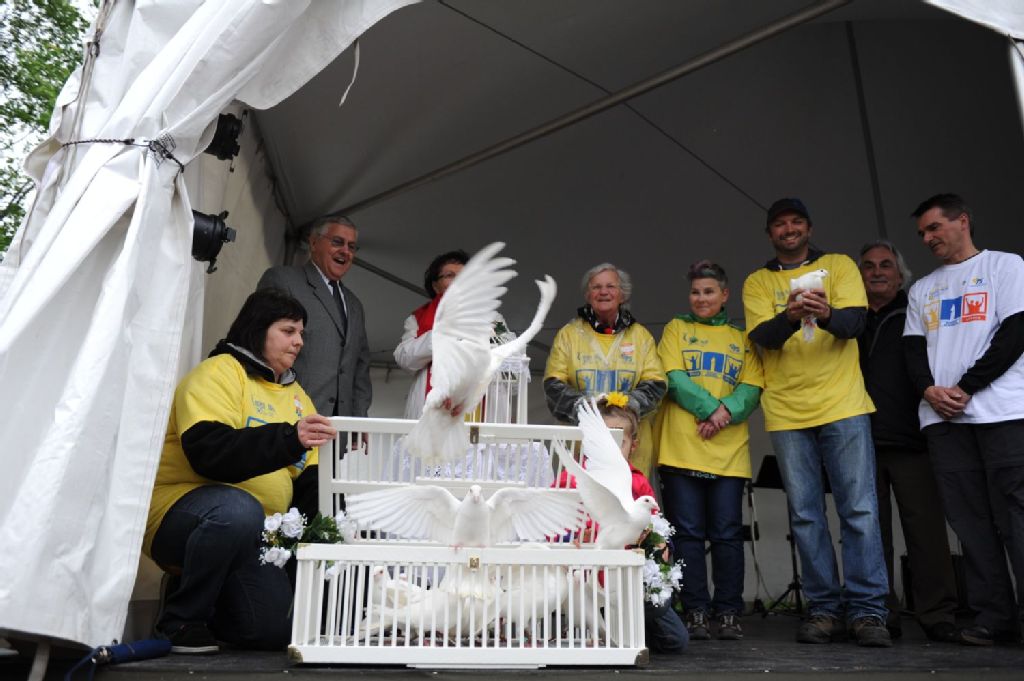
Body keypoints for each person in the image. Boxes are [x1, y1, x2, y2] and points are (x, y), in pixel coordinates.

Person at [143, 289, 337, 653]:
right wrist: (288, 439)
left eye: (301, 333)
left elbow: (310, 483)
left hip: (258, 536)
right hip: (183, 514)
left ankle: (212, 595)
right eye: (288, 331)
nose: (299, 341)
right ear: (259, 328)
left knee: (273, 630)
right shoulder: (217, 373)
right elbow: (209, 453)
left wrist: (332, 527)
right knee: (238, 509)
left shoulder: (299, 398)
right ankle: (181, 620)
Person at [742, 197, 891, 647]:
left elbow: (855, 324)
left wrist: (823, 313)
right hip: (787, 412)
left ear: (808, 227)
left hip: (843, 405)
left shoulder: (839, 266)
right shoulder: (757, 281)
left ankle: (868, 611)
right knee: (806, 515)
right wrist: (790, 316)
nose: (788, 229)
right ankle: (824, 608)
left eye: (796, 222)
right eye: (780, 224)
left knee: (859, 510)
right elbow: (761, 338)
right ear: (770, 233)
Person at [905, 193, 1024, 646]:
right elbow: (912, 351)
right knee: (969, 522)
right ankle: (995, 618)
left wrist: (966, 387)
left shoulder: (1005, 266)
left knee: (1017, 515)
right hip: (943, 422)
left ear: (963, 221)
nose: (927, 238)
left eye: (934, 227)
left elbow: (1016, 333)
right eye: (922, 233)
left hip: (1003, 413)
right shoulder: (922, 289)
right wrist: (928, 390)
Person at [856, 240, 960, 643]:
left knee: (926, 532)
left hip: (912, 439)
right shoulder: (850, 319)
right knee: (870, 535)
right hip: (861, 442)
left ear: (901, 275)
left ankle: (938, 613)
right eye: (868, 266)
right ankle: (880, 613)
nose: (877, 272)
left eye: (885, 265)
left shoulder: (917, 312)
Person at [656, 260, 763, 641]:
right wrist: (712, 410)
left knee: (727, 534)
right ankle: (696, 610)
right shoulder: (676, 329)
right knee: (687, 535)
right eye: (695, 292)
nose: (701, 298)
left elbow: (752, 387)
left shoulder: (742, 337)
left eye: (709, 291)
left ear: (724, 294)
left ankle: (729, 611)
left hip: (729, 453)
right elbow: (672, 378)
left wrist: (723, 414)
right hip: (681, 448)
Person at [556, 396, 688, 654]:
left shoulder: (638, 483)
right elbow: (550, 525)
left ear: (633, 445)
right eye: (605, 438)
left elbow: (657, 530)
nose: (611, 446)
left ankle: (622, 626)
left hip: (626, 582)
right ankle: (596, 625)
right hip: (582, 580)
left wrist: (660, 549)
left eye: (620, 440)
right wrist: (569, 540)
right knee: (576, 605)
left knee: (675, 639)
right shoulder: (570, 478)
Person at [544, 263, 666, 475]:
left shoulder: (640, 336)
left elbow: (657, 386)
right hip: (580, 448)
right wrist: (588, 410)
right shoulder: (568, 334)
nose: (603, 292)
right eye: (596, 287)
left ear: (622, 294)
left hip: (631, 450)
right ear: (588, 295)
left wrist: (623, 410)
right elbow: (553, 387)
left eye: (610, 286)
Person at [258, 215, 371, 417]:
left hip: (340, 426)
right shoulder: (283, 280)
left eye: (352, 246)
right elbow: (262, 349)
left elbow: (360, 370)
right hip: (291, 417)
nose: (345, 251)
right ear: (313, 242)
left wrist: (359, 420)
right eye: (337, 242)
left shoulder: (355, 305)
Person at [394, 249, 516, 420]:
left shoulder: (493, 319)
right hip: (433, 415)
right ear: (435, 285)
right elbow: (404, 359)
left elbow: (512, 359)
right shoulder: (417, 319)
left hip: (479, 411)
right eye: (450, 275)